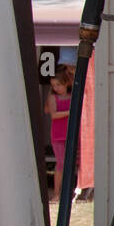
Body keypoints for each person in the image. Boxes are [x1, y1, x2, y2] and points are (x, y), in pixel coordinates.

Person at [45, 64, 74, 201]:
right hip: (58, 134)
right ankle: (57, 193)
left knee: (72, 162)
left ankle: (69, 192)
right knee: (60, 163)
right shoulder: (52, 98)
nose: (56, 88)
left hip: (71, 133)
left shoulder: (72, 96)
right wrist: (71, 112)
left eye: (58, 85)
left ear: (66, 83)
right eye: (53, 85)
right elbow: (54, 114)